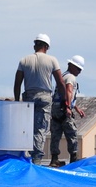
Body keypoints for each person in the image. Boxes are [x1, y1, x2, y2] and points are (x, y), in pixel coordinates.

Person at [14, 34, 72, 164]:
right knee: (40, 129)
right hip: (44, 97)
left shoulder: (24, 60)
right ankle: (36, 160)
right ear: (46, 46)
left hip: (28, 97)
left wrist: (17, 102)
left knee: (27, 127)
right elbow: (61, 83)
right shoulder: (52, 60)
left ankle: (24, 156)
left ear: (36, 45)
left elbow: (17, 83)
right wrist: (65, 102)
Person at [49, 55, 86, 167]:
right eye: (78, 69)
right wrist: (69, 107)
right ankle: (73, 158)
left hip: (56, 108)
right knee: (71, 132)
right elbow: (69, 91)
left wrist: (76, 107)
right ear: (72, 66)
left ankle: (54, 159)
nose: (79, 72)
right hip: (63, 109)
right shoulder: (70, 77)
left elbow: (63, 94)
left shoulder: (63, 76)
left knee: (56, 133)